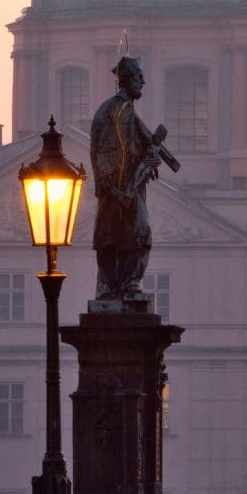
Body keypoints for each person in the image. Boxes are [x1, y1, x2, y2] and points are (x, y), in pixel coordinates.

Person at [89, 57, 177, 309]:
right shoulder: (111, 112)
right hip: (117, 189)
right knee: (114, 236)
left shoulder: (127, 112)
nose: (144, 81)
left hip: (129, 186)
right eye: (139, 76)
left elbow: (134, 147)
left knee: (136, 233)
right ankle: (114, 287)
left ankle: (128, 285)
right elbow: (103, 152)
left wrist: (148, 163)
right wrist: (114, 188)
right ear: (126, 79)